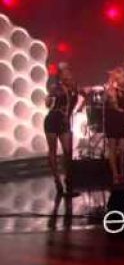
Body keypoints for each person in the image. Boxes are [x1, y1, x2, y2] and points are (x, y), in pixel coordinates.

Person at [44, 64, 84, 196]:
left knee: (68, 151)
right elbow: (48, 104)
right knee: (53, 150)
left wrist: (80, 108)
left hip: (64, 123)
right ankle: (57, 180)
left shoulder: (75, 88)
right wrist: (49, 99)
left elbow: (86, 95)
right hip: (52, 120)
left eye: (69, 73)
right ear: (61, 77)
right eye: (65, 74)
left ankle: (68, 180)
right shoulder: (56, 88)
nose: (68, 76)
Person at [104, 67, 124, 185]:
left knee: (122, 148)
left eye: (120, 76)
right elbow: (114, 105)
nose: (119, 78)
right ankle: (115, 175)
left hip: (123, 119)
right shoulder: (110, 90)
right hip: (112, 118)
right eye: (116, 76)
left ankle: (122, 173)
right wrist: (112, 87)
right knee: (112, 147)